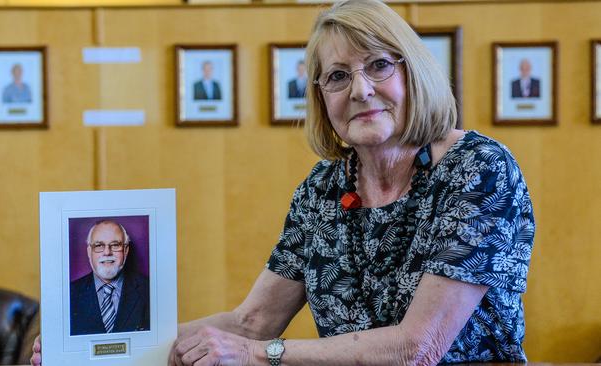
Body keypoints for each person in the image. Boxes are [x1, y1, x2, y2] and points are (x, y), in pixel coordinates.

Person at [32, 0, 535, 364]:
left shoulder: (478, 168)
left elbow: (418, 348)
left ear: (414, 75)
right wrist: (94, 348)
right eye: (337, 76)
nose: (360, 89)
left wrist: (260, 355)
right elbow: (251, 323)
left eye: (379, 65)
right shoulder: (322, 189)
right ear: (321, 99)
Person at [69, 220, 149, 336]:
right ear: (89, 252)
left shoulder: (149, 290)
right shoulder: (69, 294)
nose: (107, 252)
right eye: (99, 245)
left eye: (115, 245)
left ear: (126, 250)